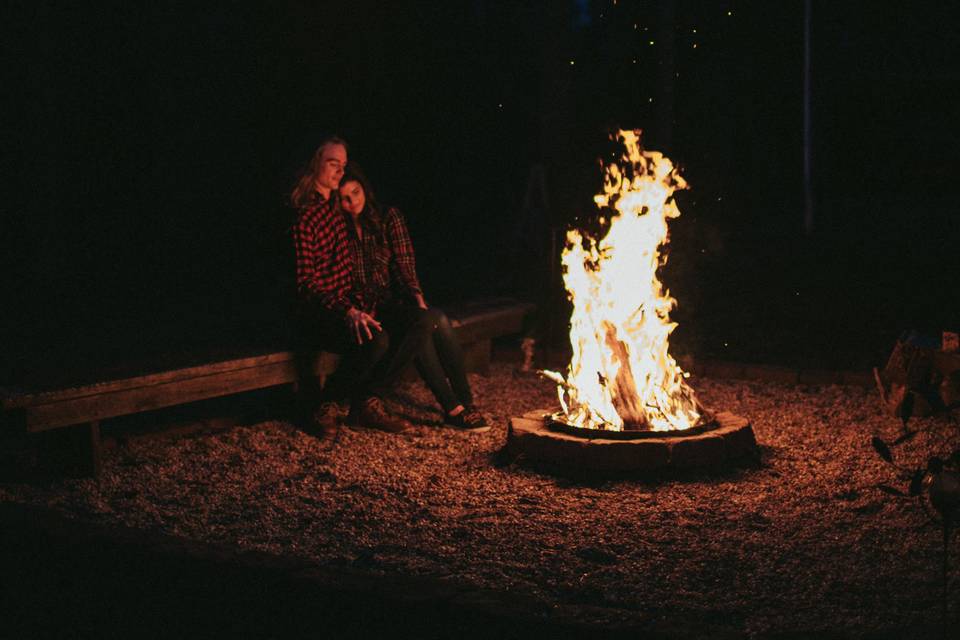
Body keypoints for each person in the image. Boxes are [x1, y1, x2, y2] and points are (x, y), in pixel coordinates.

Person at [290, 137, 428, 437]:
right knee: (376, 339)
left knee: (421, 321)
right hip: (320, 313)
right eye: (332, 163)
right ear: (315, 163)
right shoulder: (304, 216)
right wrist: (347, 311)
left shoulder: (337, 212)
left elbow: (356, 269)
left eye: (343, 164)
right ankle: (325, 405)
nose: (340, 170)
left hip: (349, 304)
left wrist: (371, 303)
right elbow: (305, 284)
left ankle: (367, 400)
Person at [337, 163, 488, 431]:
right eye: (344, 198)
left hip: (386, 302)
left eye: (356, 193)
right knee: (423, 325)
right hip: (360, 308)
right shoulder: (337, 228)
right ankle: (453, 408)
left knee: (432, 317)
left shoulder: (387, 217)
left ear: (365, 190)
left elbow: (404, 264)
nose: (351, 202)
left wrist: (417, 297)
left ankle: (465, 402)